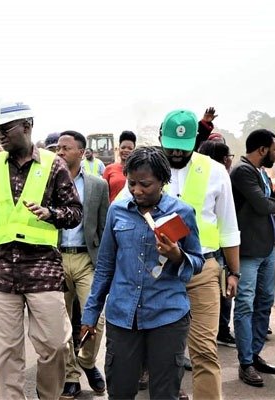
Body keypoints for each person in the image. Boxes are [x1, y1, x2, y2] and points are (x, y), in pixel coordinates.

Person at [0, 100, 83, 399]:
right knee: (6, 355)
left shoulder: (53, 164)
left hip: (42, 269)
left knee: (56, 345)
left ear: (27, 126)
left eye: (7, 129)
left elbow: (74, 212)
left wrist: (51, 214)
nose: (1, 136)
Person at [81, 146, 204, 399]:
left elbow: (198, 261)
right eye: (132, 183)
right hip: (122, 316)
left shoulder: (181, 213)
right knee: (120, 389)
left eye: (145, 184)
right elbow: (105, 266)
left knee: (164, 391)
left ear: (162, 181)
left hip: (167, 316)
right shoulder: (118, 211)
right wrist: (90, 314)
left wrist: (177, 256)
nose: (136, 190)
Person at [159, 109, 241, 400]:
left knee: (205, 351)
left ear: (196, 140)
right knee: (163, 353)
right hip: (160, 271)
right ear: (160, 137)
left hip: (203, 270)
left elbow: (229, 226)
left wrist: (233, 272)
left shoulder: (216, 171)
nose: (176, 153)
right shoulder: (146, 168)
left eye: (183, 147)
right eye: (170, 146)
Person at [230, 129, 275, 387]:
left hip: (264, 250)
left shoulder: (260, 173)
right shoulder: (242, 171)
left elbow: (266, 202)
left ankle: (255, 354)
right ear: (262, 150)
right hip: (248, 252)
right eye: (274, 149)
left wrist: (272, 199)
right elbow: (263, 205)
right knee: (245, 305)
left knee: (264, 302)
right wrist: (274, 201)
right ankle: (245, 363)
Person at [56, 131, 109, 397]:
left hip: (87, 259)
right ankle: (71, 374)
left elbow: (104, 227)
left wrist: (105, 264)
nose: (60, 152)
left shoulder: (98, 185)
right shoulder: (47, 183)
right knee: (61, 323)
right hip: (55, 259)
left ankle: (86, 361)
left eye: (66, 148)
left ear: (81, 151)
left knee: (95, 319)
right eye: (58, 148)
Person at [197, 140, 236, 348]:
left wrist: (233, 271)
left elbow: (228, 227)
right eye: (229, 156)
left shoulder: (219, 176)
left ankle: (220, 330)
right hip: (208, 256)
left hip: (211, 256)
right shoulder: (219, 176)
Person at [103, 130, 136, 202]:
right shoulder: (109, 169)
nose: (126, 150)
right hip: (114, 211)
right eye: (123, 147)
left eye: (130, 148)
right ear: (119, 148)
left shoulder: (138, 170)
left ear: (134, 150)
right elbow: (103, 196)